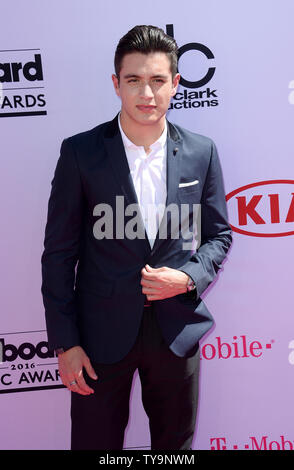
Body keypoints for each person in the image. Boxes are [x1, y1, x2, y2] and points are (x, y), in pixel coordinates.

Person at [41, 25, 232, 450]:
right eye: (134, 80)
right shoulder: (80, 152)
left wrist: (186, 279)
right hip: (98, 337)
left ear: (176, 84)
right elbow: (58, 254)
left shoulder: (203, 152)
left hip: (175, 331)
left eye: (158, 80)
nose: (146, 93)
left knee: (174, 449)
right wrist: (66, 343)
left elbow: (218, 236)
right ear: (116, 84)